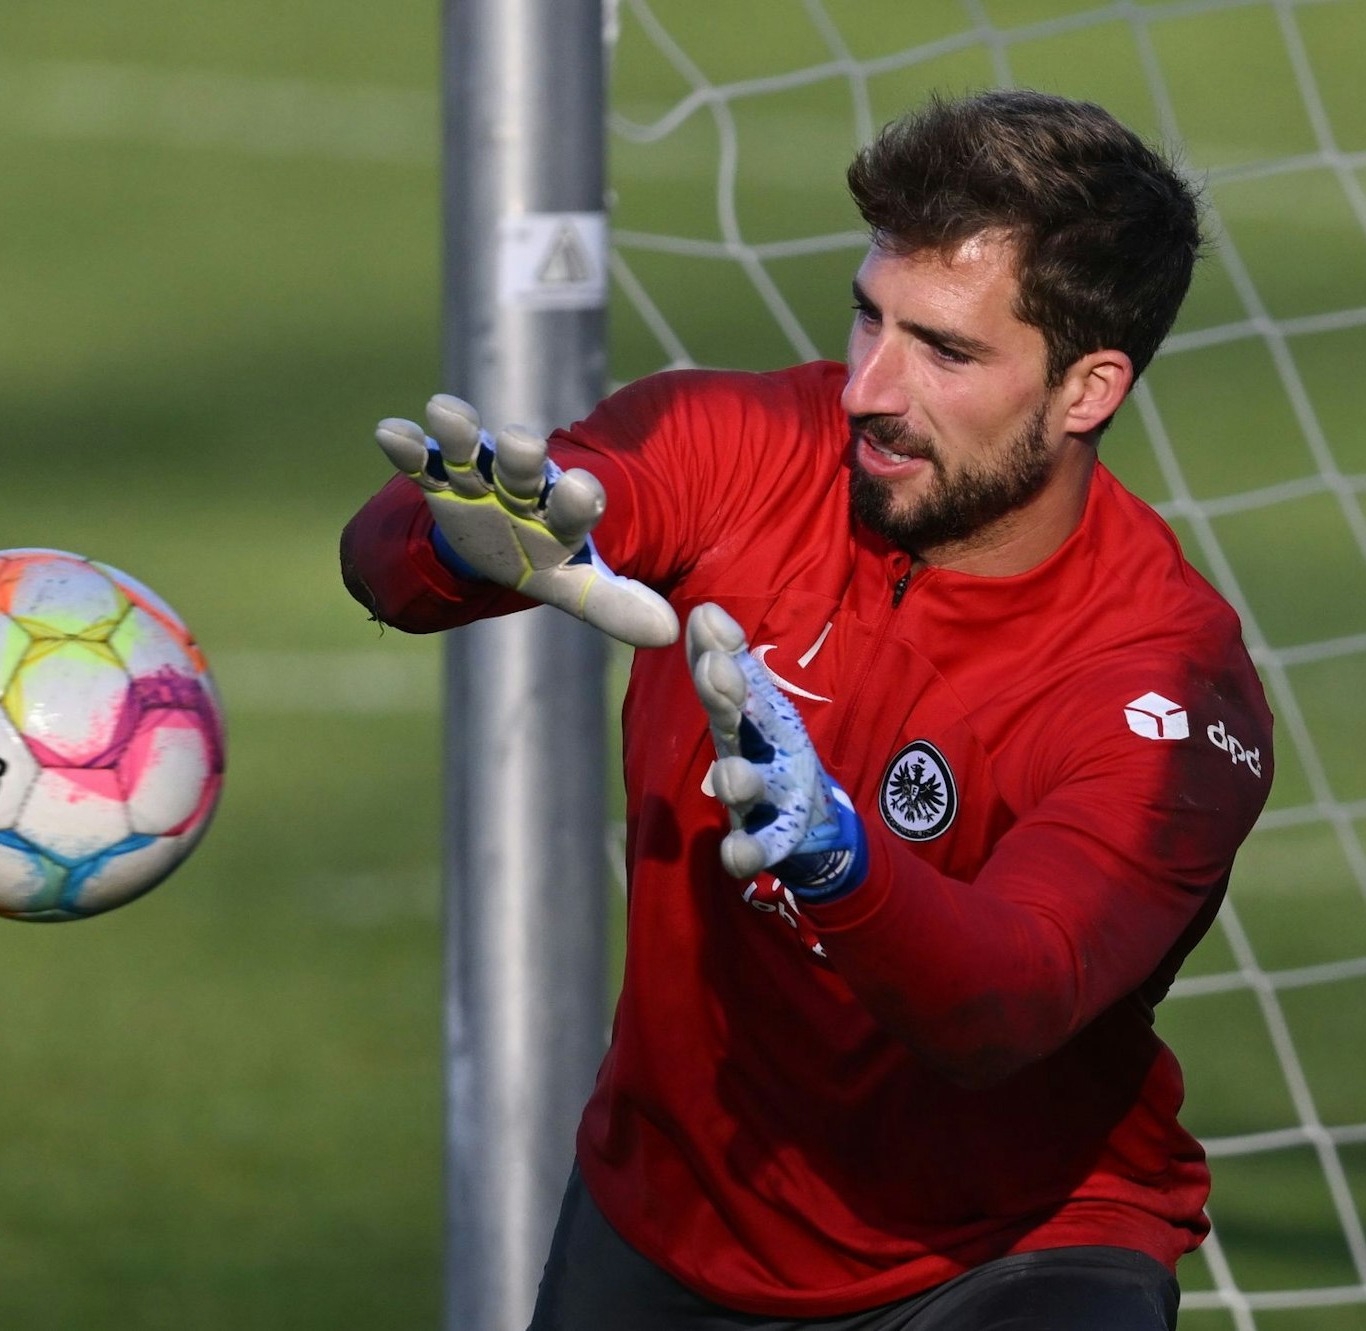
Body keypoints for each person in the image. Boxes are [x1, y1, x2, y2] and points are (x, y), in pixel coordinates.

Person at [341, 89, 1274, 1331]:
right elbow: (400, 565)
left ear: (1086, 388)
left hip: (1006, 1251)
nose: (868, 388)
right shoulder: (740, 441)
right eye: (867, 315)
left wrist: (842, 863)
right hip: (673, 1213)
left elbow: (1007, 1001)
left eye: (945, 352)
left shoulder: (1163, 687)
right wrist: (448, 547)